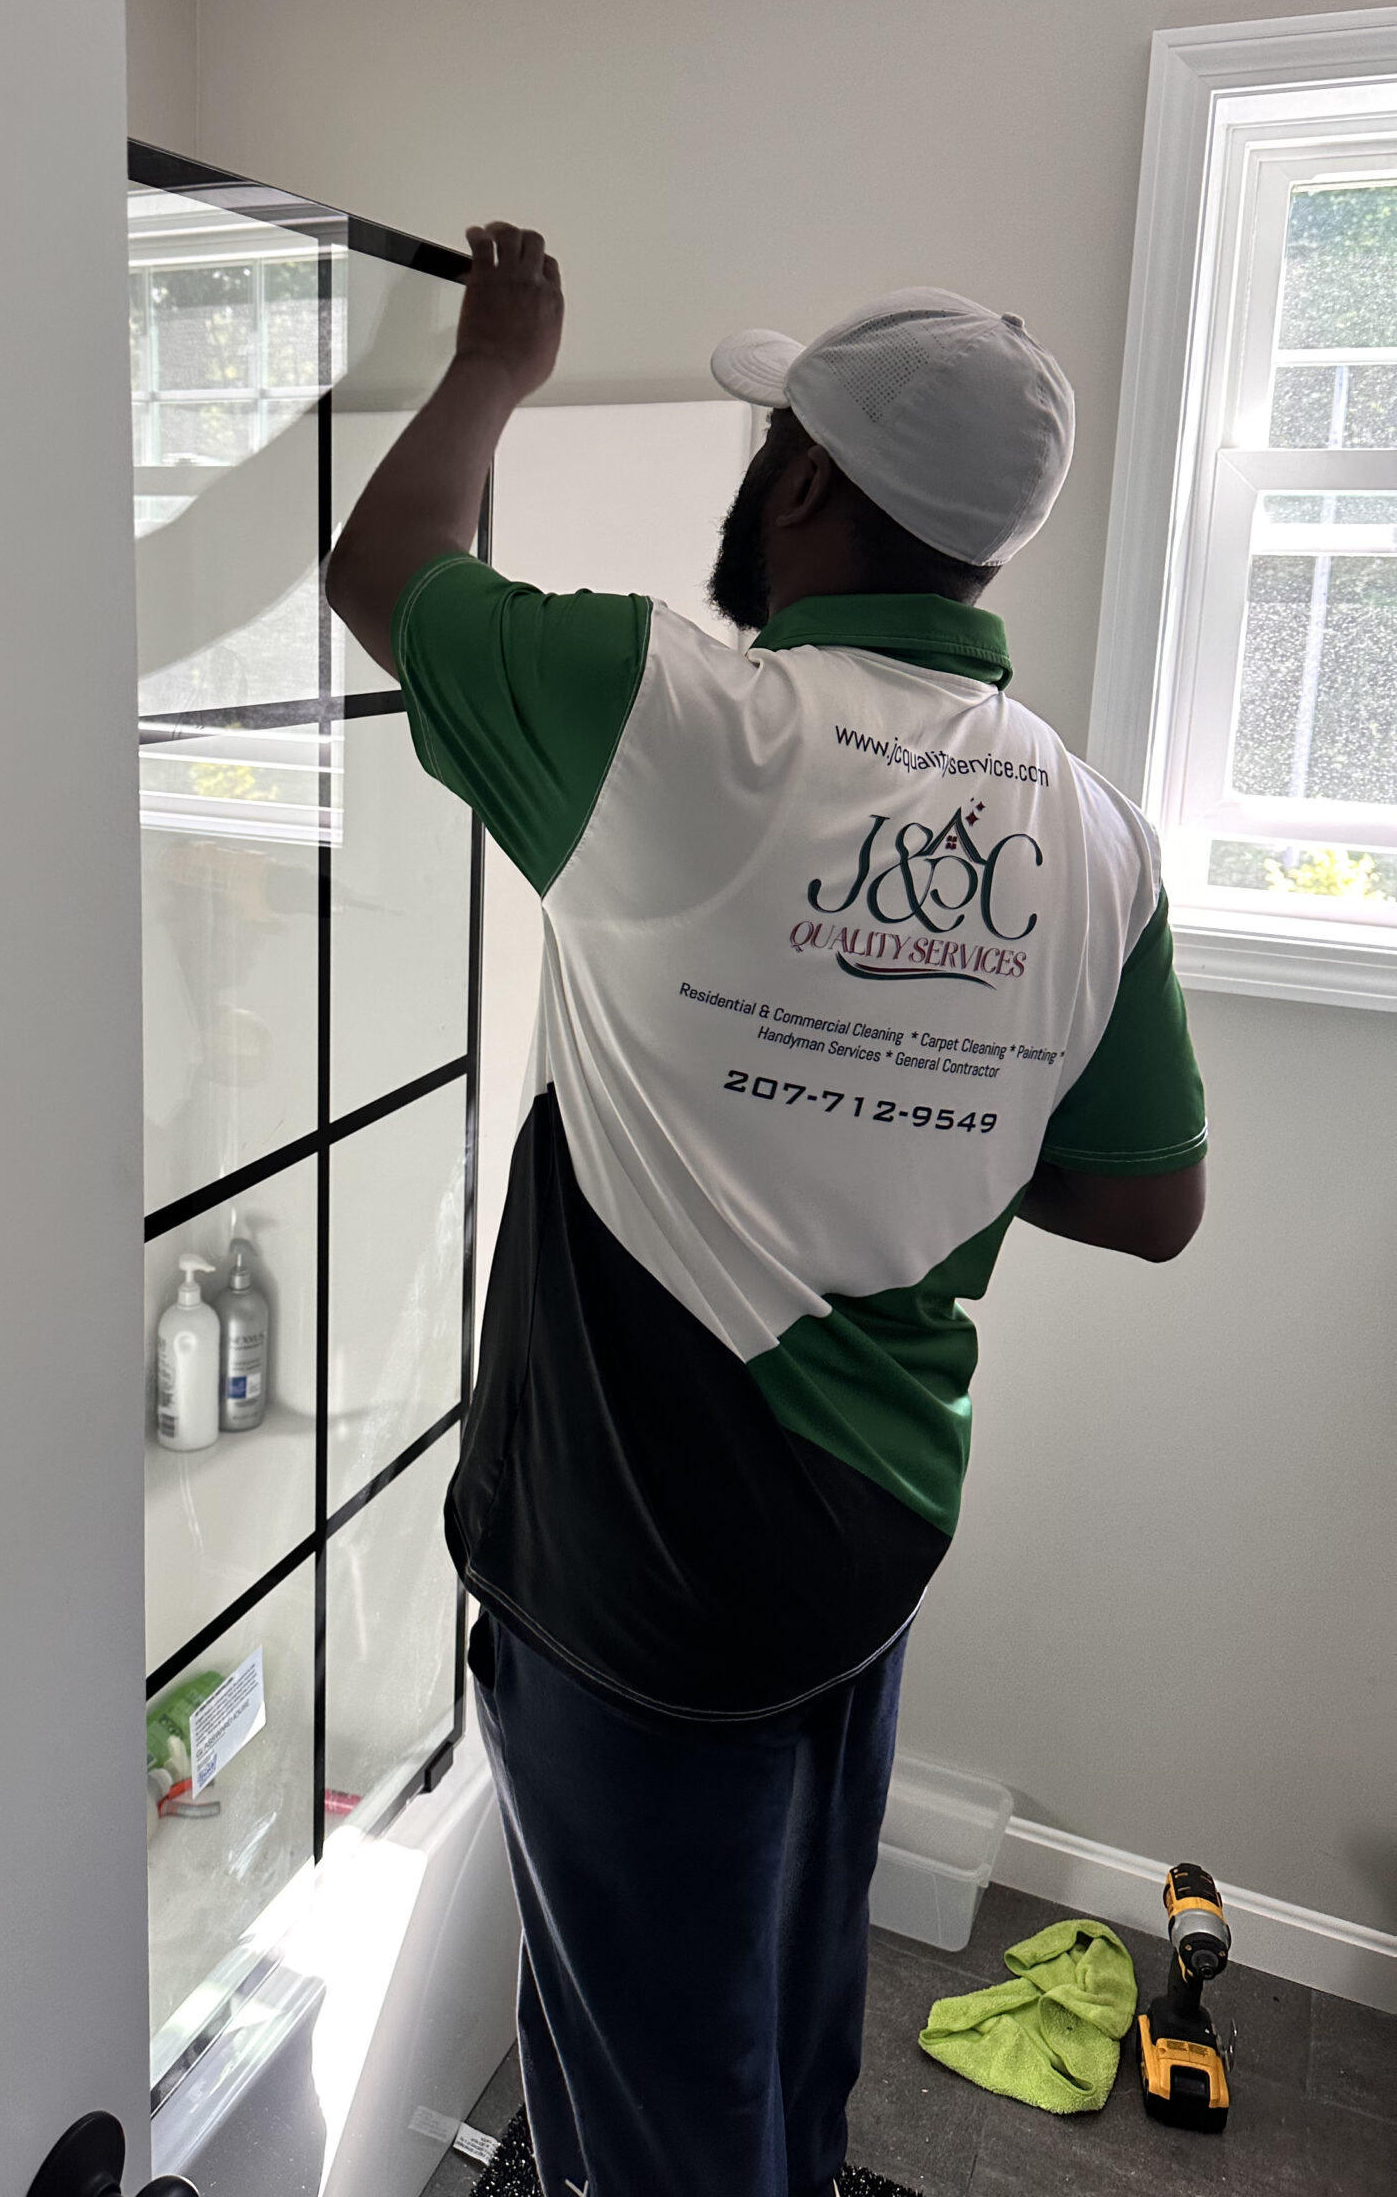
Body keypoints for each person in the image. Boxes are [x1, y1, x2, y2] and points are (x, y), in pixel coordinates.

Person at [326, 225, 1207, 2197]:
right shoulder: (1091, 832)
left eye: (762, 442)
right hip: (867, 1537)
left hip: (643, 1559)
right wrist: (940, 1090)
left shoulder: (671, 717)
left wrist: (497, 366)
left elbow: (384, 573)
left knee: (649, 2096)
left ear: (803, 478)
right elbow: (1153, 1197)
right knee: (791, 2005)